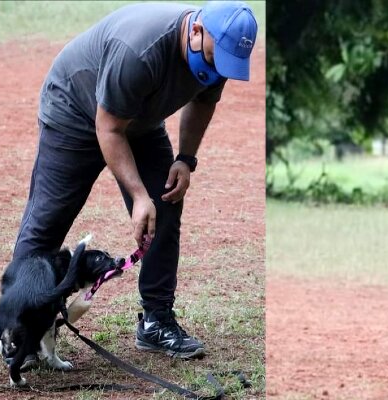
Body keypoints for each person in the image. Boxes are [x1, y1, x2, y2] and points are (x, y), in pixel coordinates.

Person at [13, 1, 257, 360]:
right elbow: (108, 127)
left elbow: (204, 101)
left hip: (138, 119)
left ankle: (156, 322)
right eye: (214, 55)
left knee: (166, 202)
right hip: (75, 113)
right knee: (48, 221)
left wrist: (185, 159)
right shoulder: (140, 51)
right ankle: (19, 329)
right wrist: (139, 196)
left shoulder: (218, 51)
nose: (219, 67)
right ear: (196, 30)